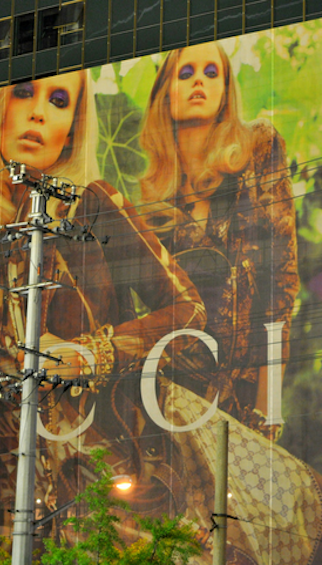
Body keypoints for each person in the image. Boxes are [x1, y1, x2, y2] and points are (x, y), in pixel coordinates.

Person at [0, 70, 205, 533]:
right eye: (23, 93)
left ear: (72, 129)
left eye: (58, 101)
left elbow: (188, 309)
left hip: (93, 488)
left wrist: (91, 353)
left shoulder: (92, 205)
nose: (37, 112)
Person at [139, 43, 300, 427]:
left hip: (243, 395)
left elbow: (280, 286)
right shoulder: (156, 205)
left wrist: (267, 413)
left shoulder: (258, 146)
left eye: (211, 73)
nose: (199, 81)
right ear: (165, 95)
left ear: (226, 90)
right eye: (186, 73)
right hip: (174, 398)